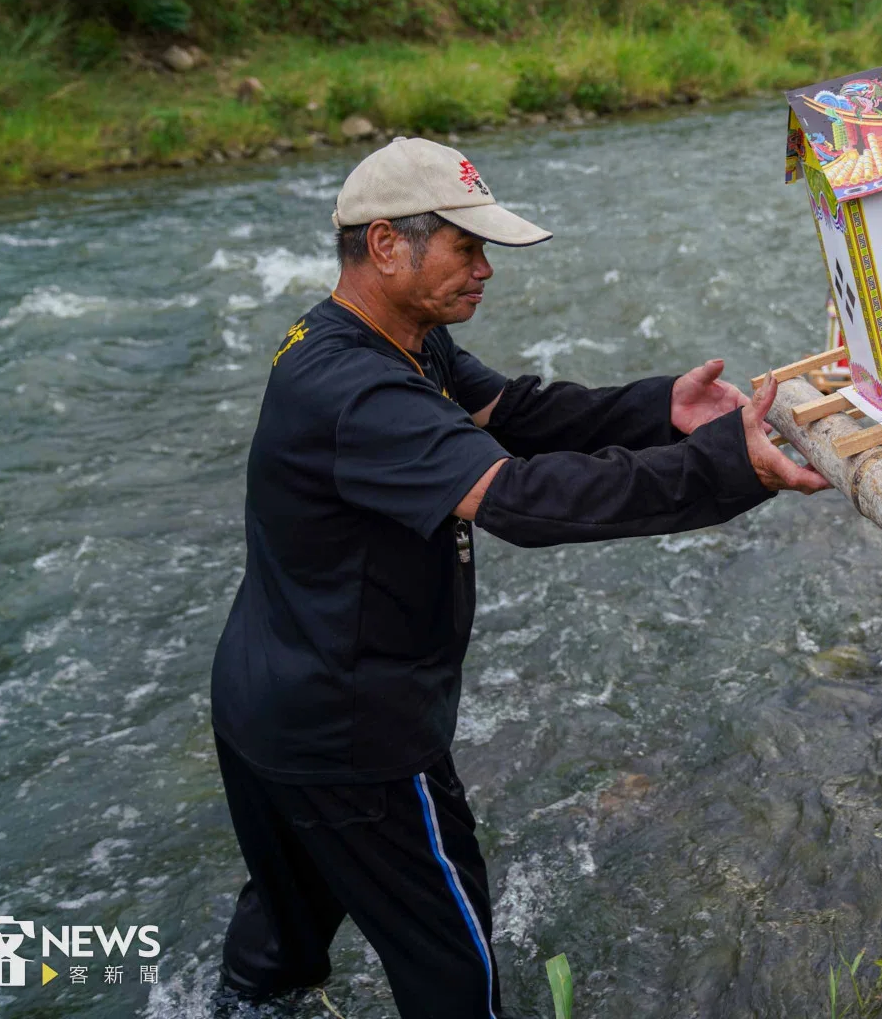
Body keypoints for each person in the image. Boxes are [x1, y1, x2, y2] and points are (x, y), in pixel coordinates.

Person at [209, 137, 827, 1018]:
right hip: (355, 732)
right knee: (452, 966)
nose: (485, 269)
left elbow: (518, 416)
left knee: (283, 937)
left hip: (266, 699)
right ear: (387, 245)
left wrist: (664, 411)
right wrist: (729, 467)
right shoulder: (356, 386)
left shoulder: (390, 338)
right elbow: (523, 502)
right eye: (466, 246)